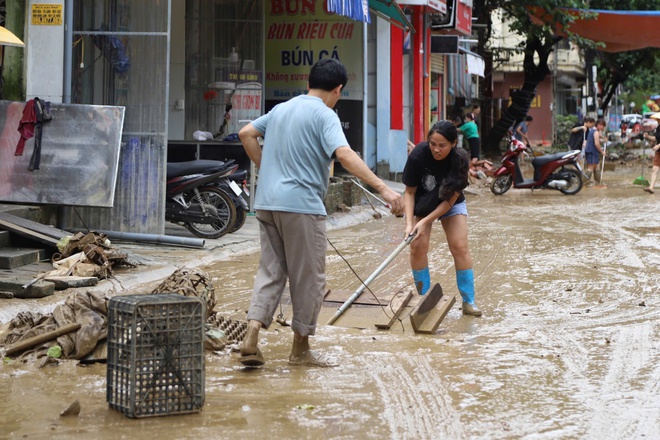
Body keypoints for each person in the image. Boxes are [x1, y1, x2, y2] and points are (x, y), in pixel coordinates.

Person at [237, 59, 404, 367]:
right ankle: (300, 350)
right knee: (309, 278)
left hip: (267, 202)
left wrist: (268, 169)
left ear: (309, 83)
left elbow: (246, 133)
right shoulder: (326, 115)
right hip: (301, 207)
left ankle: (252, 334)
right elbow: (344, 155)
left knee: (271, 271)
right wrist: (386, 190)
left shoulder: (281, 109)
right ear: (338, 89)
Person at [402, 120, 482, 317]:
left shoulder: (460, 161)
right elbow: (410, 192)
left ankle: (468, 301)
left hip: (449, 202)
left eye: (442, 145)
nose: (436, 150)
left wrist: (425, 221)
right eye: (432, 144)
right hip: (423, 201)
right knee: (417, 245)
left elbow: (447, 203)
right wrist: (410, 223)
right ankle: (424, 299)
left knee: (459, 246)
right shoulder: (418, 155)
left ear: (454, 143)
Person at [584, 118, 607, 186]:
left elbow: (597, 139)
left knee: (597, 167)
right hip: (592, 151)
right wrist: (602, 152)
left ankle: (598, 183)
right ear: (599, 125)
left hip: (591, 151)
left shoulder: (593, 130)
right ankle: (582, 182)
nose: (602, 127)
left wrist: (603, 138)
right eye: (602, 125)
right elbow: (597, 143)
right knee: (591, 168)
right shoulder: (595, 132)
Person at [643, 115, 660, 194]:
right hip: (658, 152)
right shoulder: (658, 128)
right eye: (657, 119)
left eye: (659, 119)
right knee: (654, 169)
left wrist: (658, 145)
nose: (658, 120)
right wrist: (648, 136)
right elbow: (656, 138)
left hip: (658, 148)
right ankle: (651, 187)